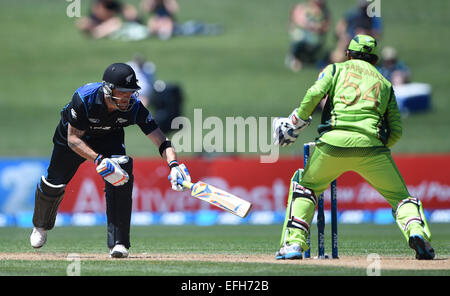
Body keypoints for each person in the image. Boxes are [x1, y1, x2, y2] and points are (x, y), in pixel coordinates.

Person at [272, 35, 435, 260]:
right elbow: (396, 131)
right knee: (401, 198)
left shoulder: (335, 70)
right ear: (374, 60)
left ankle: (294, 245)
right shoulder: (385, 84)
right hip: (372, 148)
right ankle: (417, 233)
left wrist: (296, 122)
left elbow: (314, 94)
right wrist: (375, 145)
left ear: (348, 54)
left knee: (306, 186)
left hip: (333, 144)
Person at [29, 63, 191, 258]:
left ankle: (119, 243)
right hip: (73, 139)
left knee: (121, 172)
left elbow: (161, 140)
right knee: (54, 183)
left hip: (109, 138)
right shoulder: (85, 99)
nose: (126, 97)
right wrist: (99, 160)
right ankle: (41, 226)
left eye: (130, 92)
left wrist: (173, 166)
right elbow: (73, 139)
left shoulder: (134, 107)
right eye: (122, 92)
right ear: (108, 88)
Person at [286, 0, 330, 72]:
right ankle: (295, 58)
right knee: (299, 36)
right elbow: (295, 21)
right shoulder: (303, 8)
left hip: (316, 38)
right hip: (303, 36)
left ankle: (310, 60)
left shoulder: (324, 12)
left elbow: (325, 27)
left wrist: (318, 27)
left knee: (312, 41)